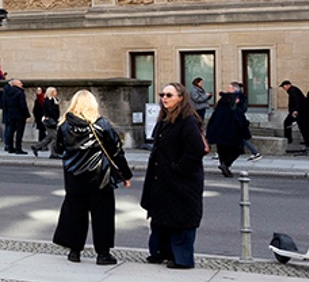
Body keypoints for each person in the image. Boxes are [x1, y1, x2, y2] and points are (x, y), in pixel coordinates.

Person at [52, 90, 132, 265]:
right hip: (100, 177)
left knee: (75, 214)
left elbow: (58, 149)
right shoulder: (102, 124)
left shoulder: (64, 125)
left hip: (74, 177)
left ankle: (75, 251)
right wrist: (126, 174)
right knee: (102, 216)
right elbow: (116, 151)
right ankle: (103, 253)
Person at [141, 82, 206, 268]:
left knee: (181, 220)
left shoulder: (187, 120)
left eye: (169, 95)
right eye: (162, 95)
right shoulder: (165, 119)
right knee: (162, 218)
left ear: (180, 98)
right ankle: (161, 252)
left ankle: (182, 259)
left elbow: (195, 151)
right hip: (163, 181)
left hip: (181, 182)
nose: (164, 98)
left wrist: (176, 168)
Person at [207, 83, 251, 177]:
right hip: (233, 132)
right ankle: (226, 164)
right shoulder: (235, 108)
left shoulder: (222, 104)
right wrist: (245, 131)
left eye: (229, 87)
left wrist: (211, 132)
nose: (228, 88)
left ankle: (224, 166)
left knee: (222, 150)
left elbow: (214, 118)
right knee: (237, 149)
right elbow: (240, 119)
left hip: (219, 132)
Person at [0, 77, 29, 154]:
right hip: (20, 115)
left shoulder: (7, 92)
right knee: (19, 132)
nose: (22, 84)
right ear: (16, 84)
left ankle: (10, 147)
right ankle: (18, 148)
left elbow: (5, 104)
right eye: (20, 83)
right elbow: (23, 105)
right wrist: (27, 115)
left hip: (11, 114)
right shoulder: (20, 92)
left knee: (11, 131)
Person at [32, 86, 60, 155]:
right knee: (55, 137)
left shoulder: (54, 100)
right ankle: (53, 153)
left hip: (53, 120)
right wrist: (55, 117)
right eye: (55, 91)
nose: (56, 93)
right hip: (49, 120)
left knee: (50, 137)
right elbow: (49, 111)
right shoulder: (48, 100)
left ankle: (36, 147)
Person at [280, 80, 303, 145]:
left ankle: (288, 138)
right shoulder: (293, 90)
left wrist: (295, 110)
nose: (284, 89)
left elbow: (296, 101)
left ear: (288, 85)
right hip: (298, 111)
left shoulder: (292, 91)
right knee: (300, 124)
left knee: (287, 122)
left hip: (297, 111)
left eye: (284, 87)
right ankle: (288, 138)